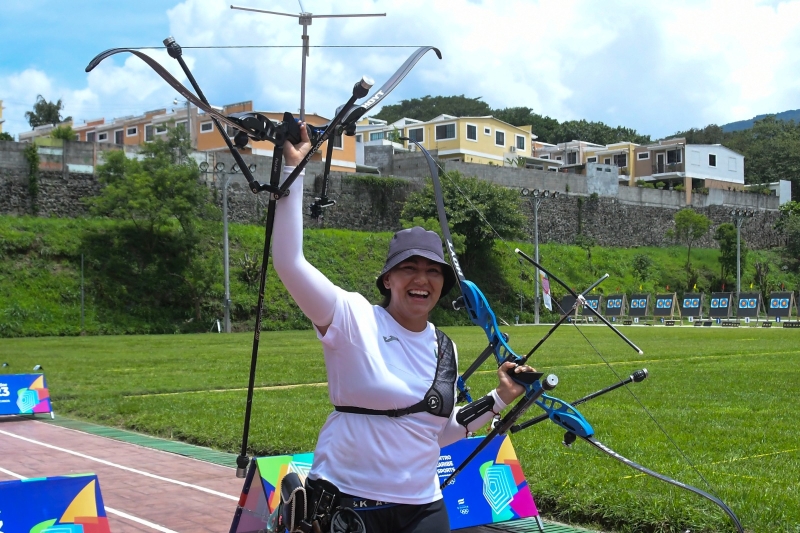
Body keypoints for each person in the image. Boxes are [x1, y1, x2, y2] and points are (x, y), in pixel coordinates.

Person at [271, 123, 534, 533]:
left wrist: (498, 399)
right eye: (408, 268)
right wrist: (294, 171)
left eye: (433, 272)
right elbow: (290, 263)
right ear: (387, 279)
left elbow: (437, 432)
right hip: (348, 503)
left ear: (443, 286)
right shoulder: (351, 316)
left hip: (422, 508)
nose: (421, 279)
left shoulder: (443, 347)